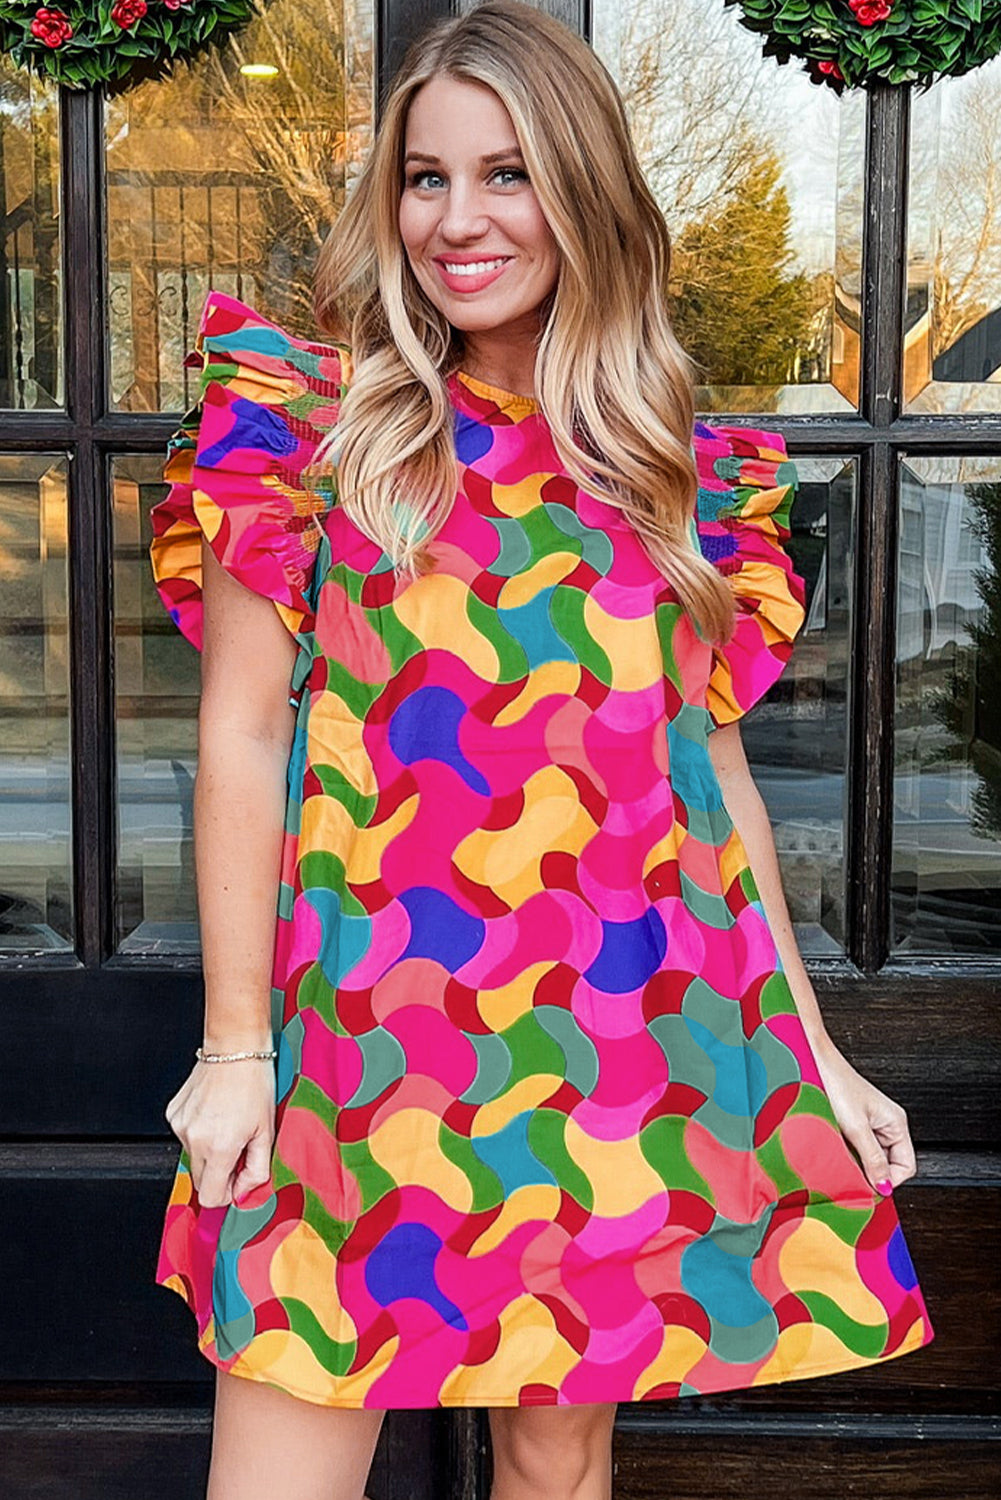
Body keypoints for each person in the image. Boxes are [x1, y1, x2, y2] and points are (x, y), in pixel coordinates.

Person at [149, 3, 934, 1497]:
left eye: (505, 174)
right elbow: (243, 736)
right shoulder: (309, 425)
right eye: (424, 178)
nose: (458, 220)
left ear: (582, 192)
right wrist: (234, 1048)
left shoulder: (675, 471)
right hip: (360, 1059)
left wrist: (812, 1054)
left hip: (627, 1056)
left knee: (557, 1472)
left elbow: (709, 789)